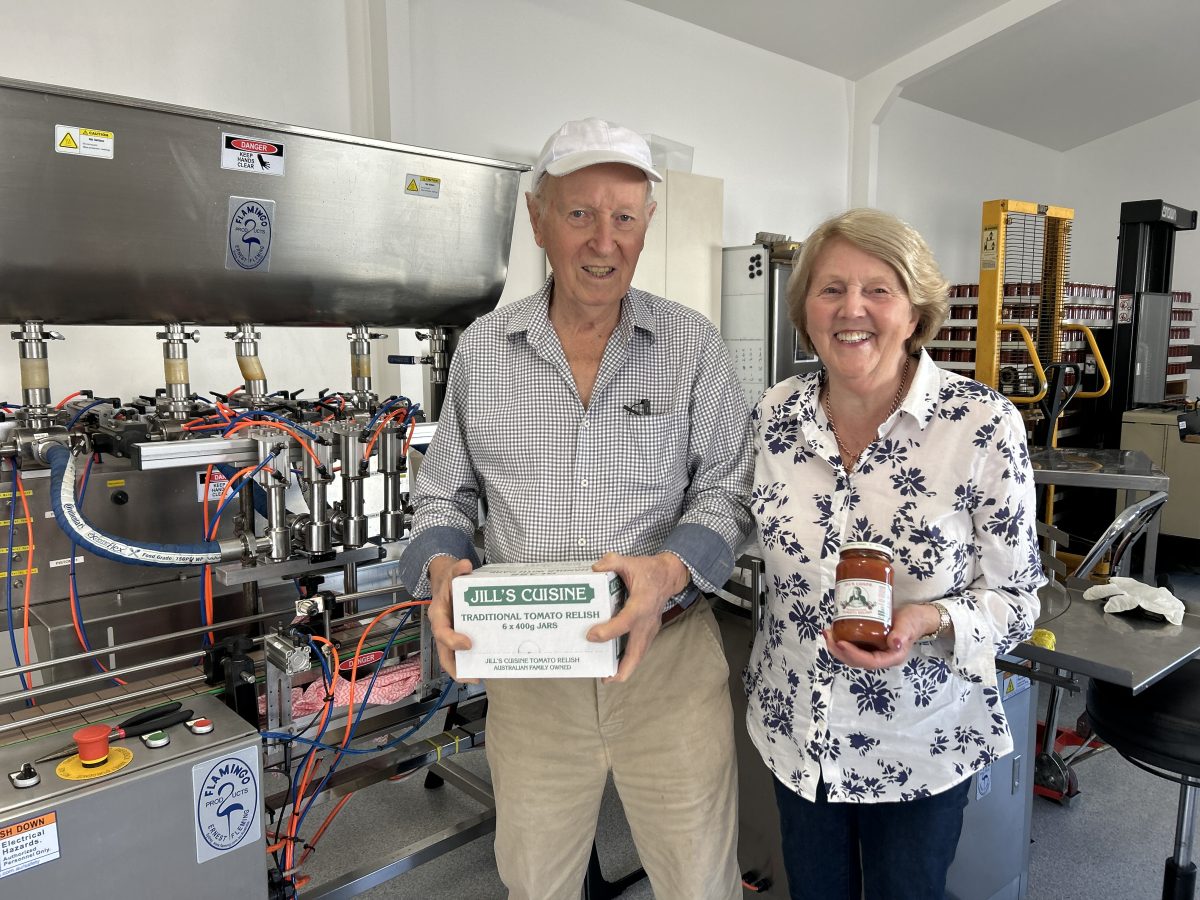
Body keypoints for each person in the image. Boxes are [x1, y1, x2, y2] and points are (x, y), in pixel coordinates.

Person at [398, 117, 753, 900]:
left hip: (669, 664)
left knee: (701, 883)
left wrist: (669, 570)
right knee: (538, 883)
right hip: (531, 672)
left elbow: (730, 486)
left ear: (647, 224)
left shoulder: (694, 346)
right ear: (538, 219)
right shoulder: (485, 351)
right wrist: (442, 565)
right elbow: (444, 489)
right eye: (580, 213)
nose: (605, 240)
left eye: (625, 216)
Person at [744, 208, 1044, 899]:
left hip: (919, 741)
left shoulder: (981, 425)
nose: (853, 309)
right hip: (798, 728)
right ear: (806, 310)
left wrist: (930, 621)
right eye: (831, 289)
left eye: (879, 289)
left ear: (915, 312)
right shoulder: (774, 416)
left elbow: (1018, 598)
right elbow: (730, 520)